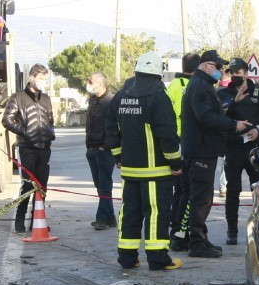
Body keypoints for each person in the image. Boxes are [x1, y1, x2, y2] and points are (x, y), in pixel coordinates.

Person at [106, 51, 183, 271]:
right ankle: (158, 259)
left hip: (130, 170)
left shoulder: (121, 96)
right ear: (158, 74)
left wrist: (118, 156)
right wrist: (176, 163)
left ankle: (127, 258)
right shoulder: (158, 97)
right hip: (156, 171)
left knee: (129, 212)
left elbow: (111, 129)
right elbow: (167, 135)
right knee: (156, 213)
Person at [176, 49, 251, 257]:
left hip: (201, 149)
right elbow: (206, 117)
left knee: (200, 197)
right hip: (200, 151)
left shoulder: (203, 85)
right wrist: (233, 125)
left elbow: (210, 113)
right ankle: (197, 243)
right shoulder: (200, 87)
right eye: (218, 67)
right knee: (201, 199)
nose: (221, 71)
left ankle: (196, 238)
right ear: (206, 66)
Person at [219, 58, 259, 245]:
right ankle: (231, 230)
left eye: (238, 72)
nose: (235, 75)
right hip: (233, 149)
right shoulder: (224, 94)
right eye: (232, 72)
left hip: (253, 149)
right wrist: (234, 102)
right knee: (232, 191)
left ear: (246, 72)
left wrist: (258, 128)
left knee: (258, 190)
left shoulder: (258, 93)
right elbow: (219, 115)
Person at [3, 63, 56, 234]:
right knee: (27, 185)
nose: (42, 82)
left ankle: (37, 220)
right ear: (32, 78)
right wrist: (25, 132)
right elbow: (7, 120)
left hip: (44, 149)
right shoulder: (17, 98)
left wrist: (50, 133)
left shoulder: (46, 99)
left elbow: (50, 120)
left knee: (42, 187)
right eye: (40, 79)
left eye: (45, 79)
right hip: (27, 149)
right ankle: (20, 218)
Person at [165, 53, 197, 251]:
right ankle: (179, 231)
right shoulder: (191, 86)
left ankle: (175, 229)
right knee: (186, 191)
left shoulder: (172, 87)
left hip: (175, 143)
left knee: (179, 191)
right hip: (185, 142)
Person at [84, 72, 117, 231]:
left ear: (100, 83)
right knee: (100, 185)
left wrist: (106, 146)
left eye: (90, 81)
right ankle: (110, 218)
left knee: (104, 185)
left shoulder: (111, 101)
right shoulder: (93, 100)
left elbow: (115, 127)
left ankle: (102, 218)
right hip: (92, 148)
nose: (88, 83)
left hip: (104, 150)